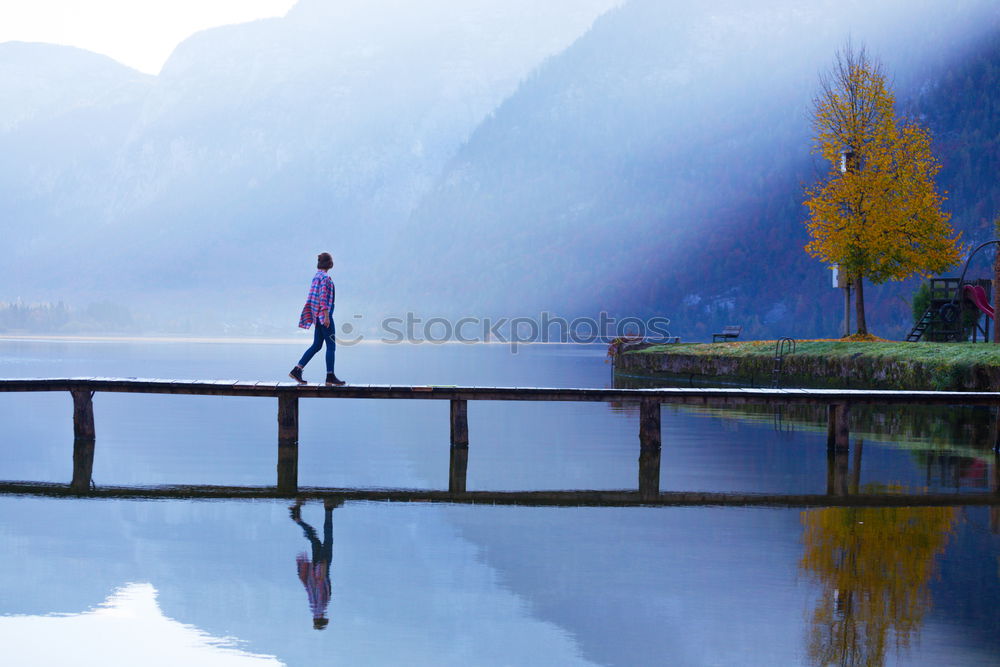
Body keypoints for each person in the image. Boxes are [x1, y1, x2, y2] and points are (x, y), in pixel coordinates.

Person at [289, 252, 345, 386]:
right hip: (324, 315)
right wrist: (326, 316)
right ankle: (330, 376)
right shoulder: (325, 278)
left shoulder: (316, 276)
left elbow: (315, 298)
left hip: (316, 316)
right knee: (331, 346)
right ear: (329, 264)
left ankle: (297, 369)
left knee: (317, 345)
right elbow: (323, 297)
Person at [290, 500, 338, 629]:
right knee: (315, 540)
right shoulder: (312, 606)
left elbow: (320, 584)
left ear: (323, 619)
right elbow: (309, 585)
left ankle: (328, 509)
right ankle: (298, 519)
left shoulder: (320, 606)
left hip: (321, 567)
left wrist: (322, 567)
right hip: (316, 567)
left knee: (328, 538)